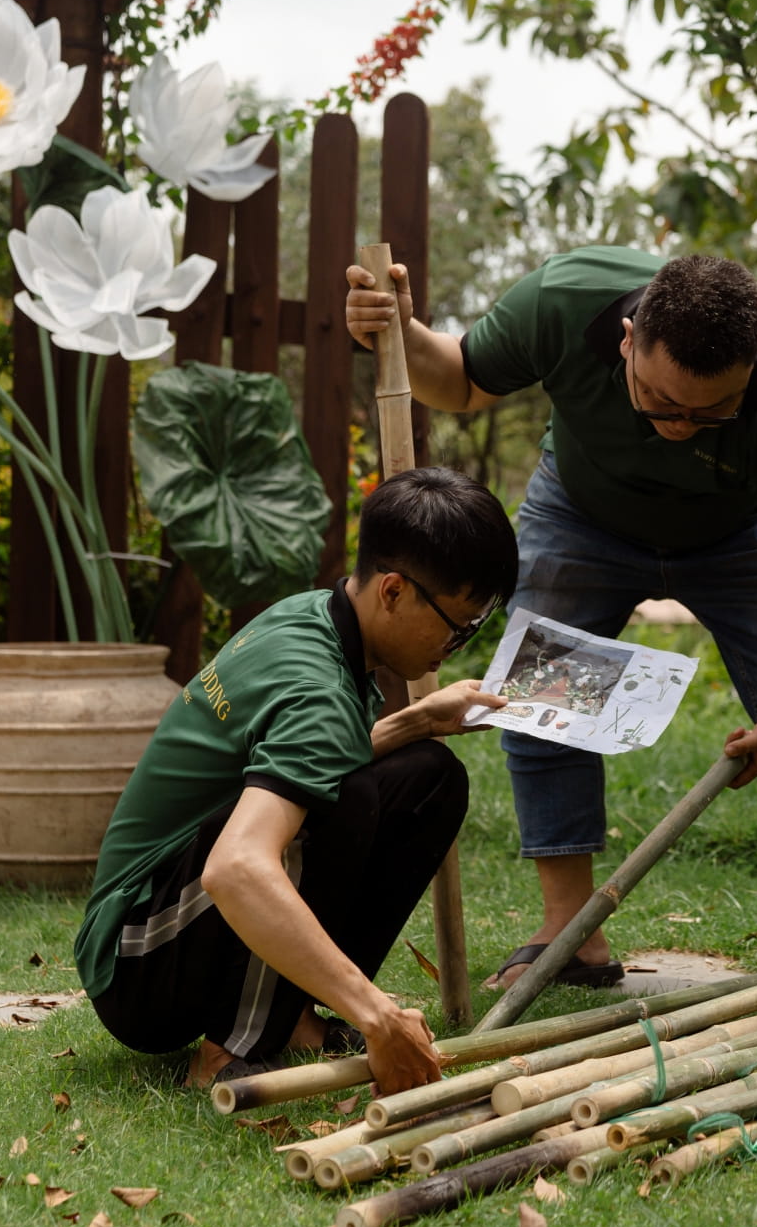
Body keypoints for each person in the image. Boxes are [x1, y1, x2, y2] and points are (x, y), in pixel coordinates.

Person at [345, 247, 757, 1005]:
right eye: (661, 403)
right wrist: (404, 330)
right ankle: (569, 933)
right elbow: (463, 382)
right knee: (541, 696)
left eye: (710, 414)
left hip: (736, 534)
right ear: (627, 339)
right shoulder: (564, 301)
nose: (682, 428)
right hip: (582, 512)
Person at [73, 467, 518, 1093]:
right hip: (135, 958)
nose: (459, 643)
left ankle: (293, 1018)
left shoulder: (313, 615)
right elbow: (236, 867)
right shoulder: (319, 692)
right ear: (393, 591)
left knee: (429, 778)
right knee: (339, 801)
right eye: (459, 624)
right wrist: (378, 1016)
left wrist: (416, 721)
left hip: (166, 920)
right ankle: (234, 1049)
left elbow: (316, 754)